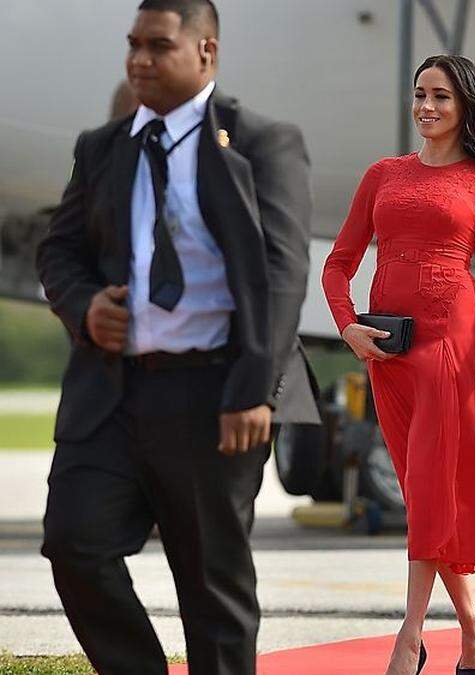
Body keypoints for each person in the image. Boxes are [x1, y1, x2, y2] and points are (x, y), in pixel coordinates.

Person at [35, 1, 319, 673]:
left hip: (214, 392)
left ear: (206, 53)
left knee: (210, 585)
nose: (139, 59)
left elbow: (283, 273)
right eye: (133, 44)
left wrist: (254, 388)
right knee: (74, 544)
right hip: (112, 390)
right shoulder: (103, 147)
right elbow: (60, 253)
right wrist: (84, 306)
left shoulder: (261, 142)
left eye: (158, 46)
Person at [321, 54, 475, 675]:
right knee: (422, 492)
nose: (427, 107)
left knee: (434, 484)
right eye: (420, 95)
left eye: (441, 96)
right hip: (387, 349)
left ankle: (409, 634)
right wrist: (348, 326)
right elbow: (338, 263)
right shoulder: (383, 174)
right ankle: (470, 622)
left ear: (465, 106)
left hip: (450, 343)